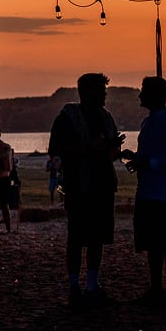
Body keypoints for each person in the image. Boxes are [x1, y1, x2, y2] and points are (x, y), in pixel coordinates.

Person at [49, 72, 124, 308]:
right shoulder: (67, 118)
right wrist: (91, 148)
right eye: (101, 89)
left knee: (97, 238)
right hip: (79, 186)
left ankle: (92, 287)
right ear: (87, 91)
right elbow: (59, 150)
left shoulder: (106, 117)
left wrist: (113, 150)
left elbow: (111, 153)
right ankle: (74, 288)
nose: (104, 93)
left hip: (102, 185)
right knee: (76, 237)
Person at [121, 77, 166, 309]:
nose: (139, 96)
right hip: (146, 190)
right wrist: (137, 159)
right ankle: (156, 288)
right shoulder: (147, 123)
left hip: (163, 192)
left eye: (143, 91)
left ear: (155, 95)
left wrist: (148, 162)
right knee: (152, 243)